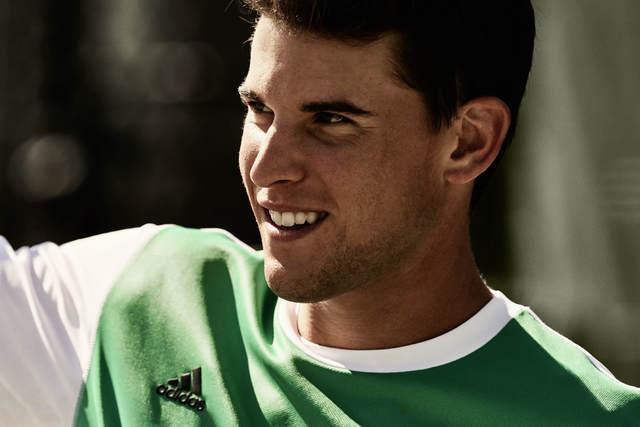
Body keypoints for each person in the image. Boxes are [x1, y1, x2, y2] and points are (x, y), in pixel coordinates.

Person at [1, 0, 639, 425]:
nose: (268, 165)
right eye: (260, 111)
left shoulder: (587, 417)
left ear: (467, 142)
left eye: (331, 120)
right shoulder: (124, 301)